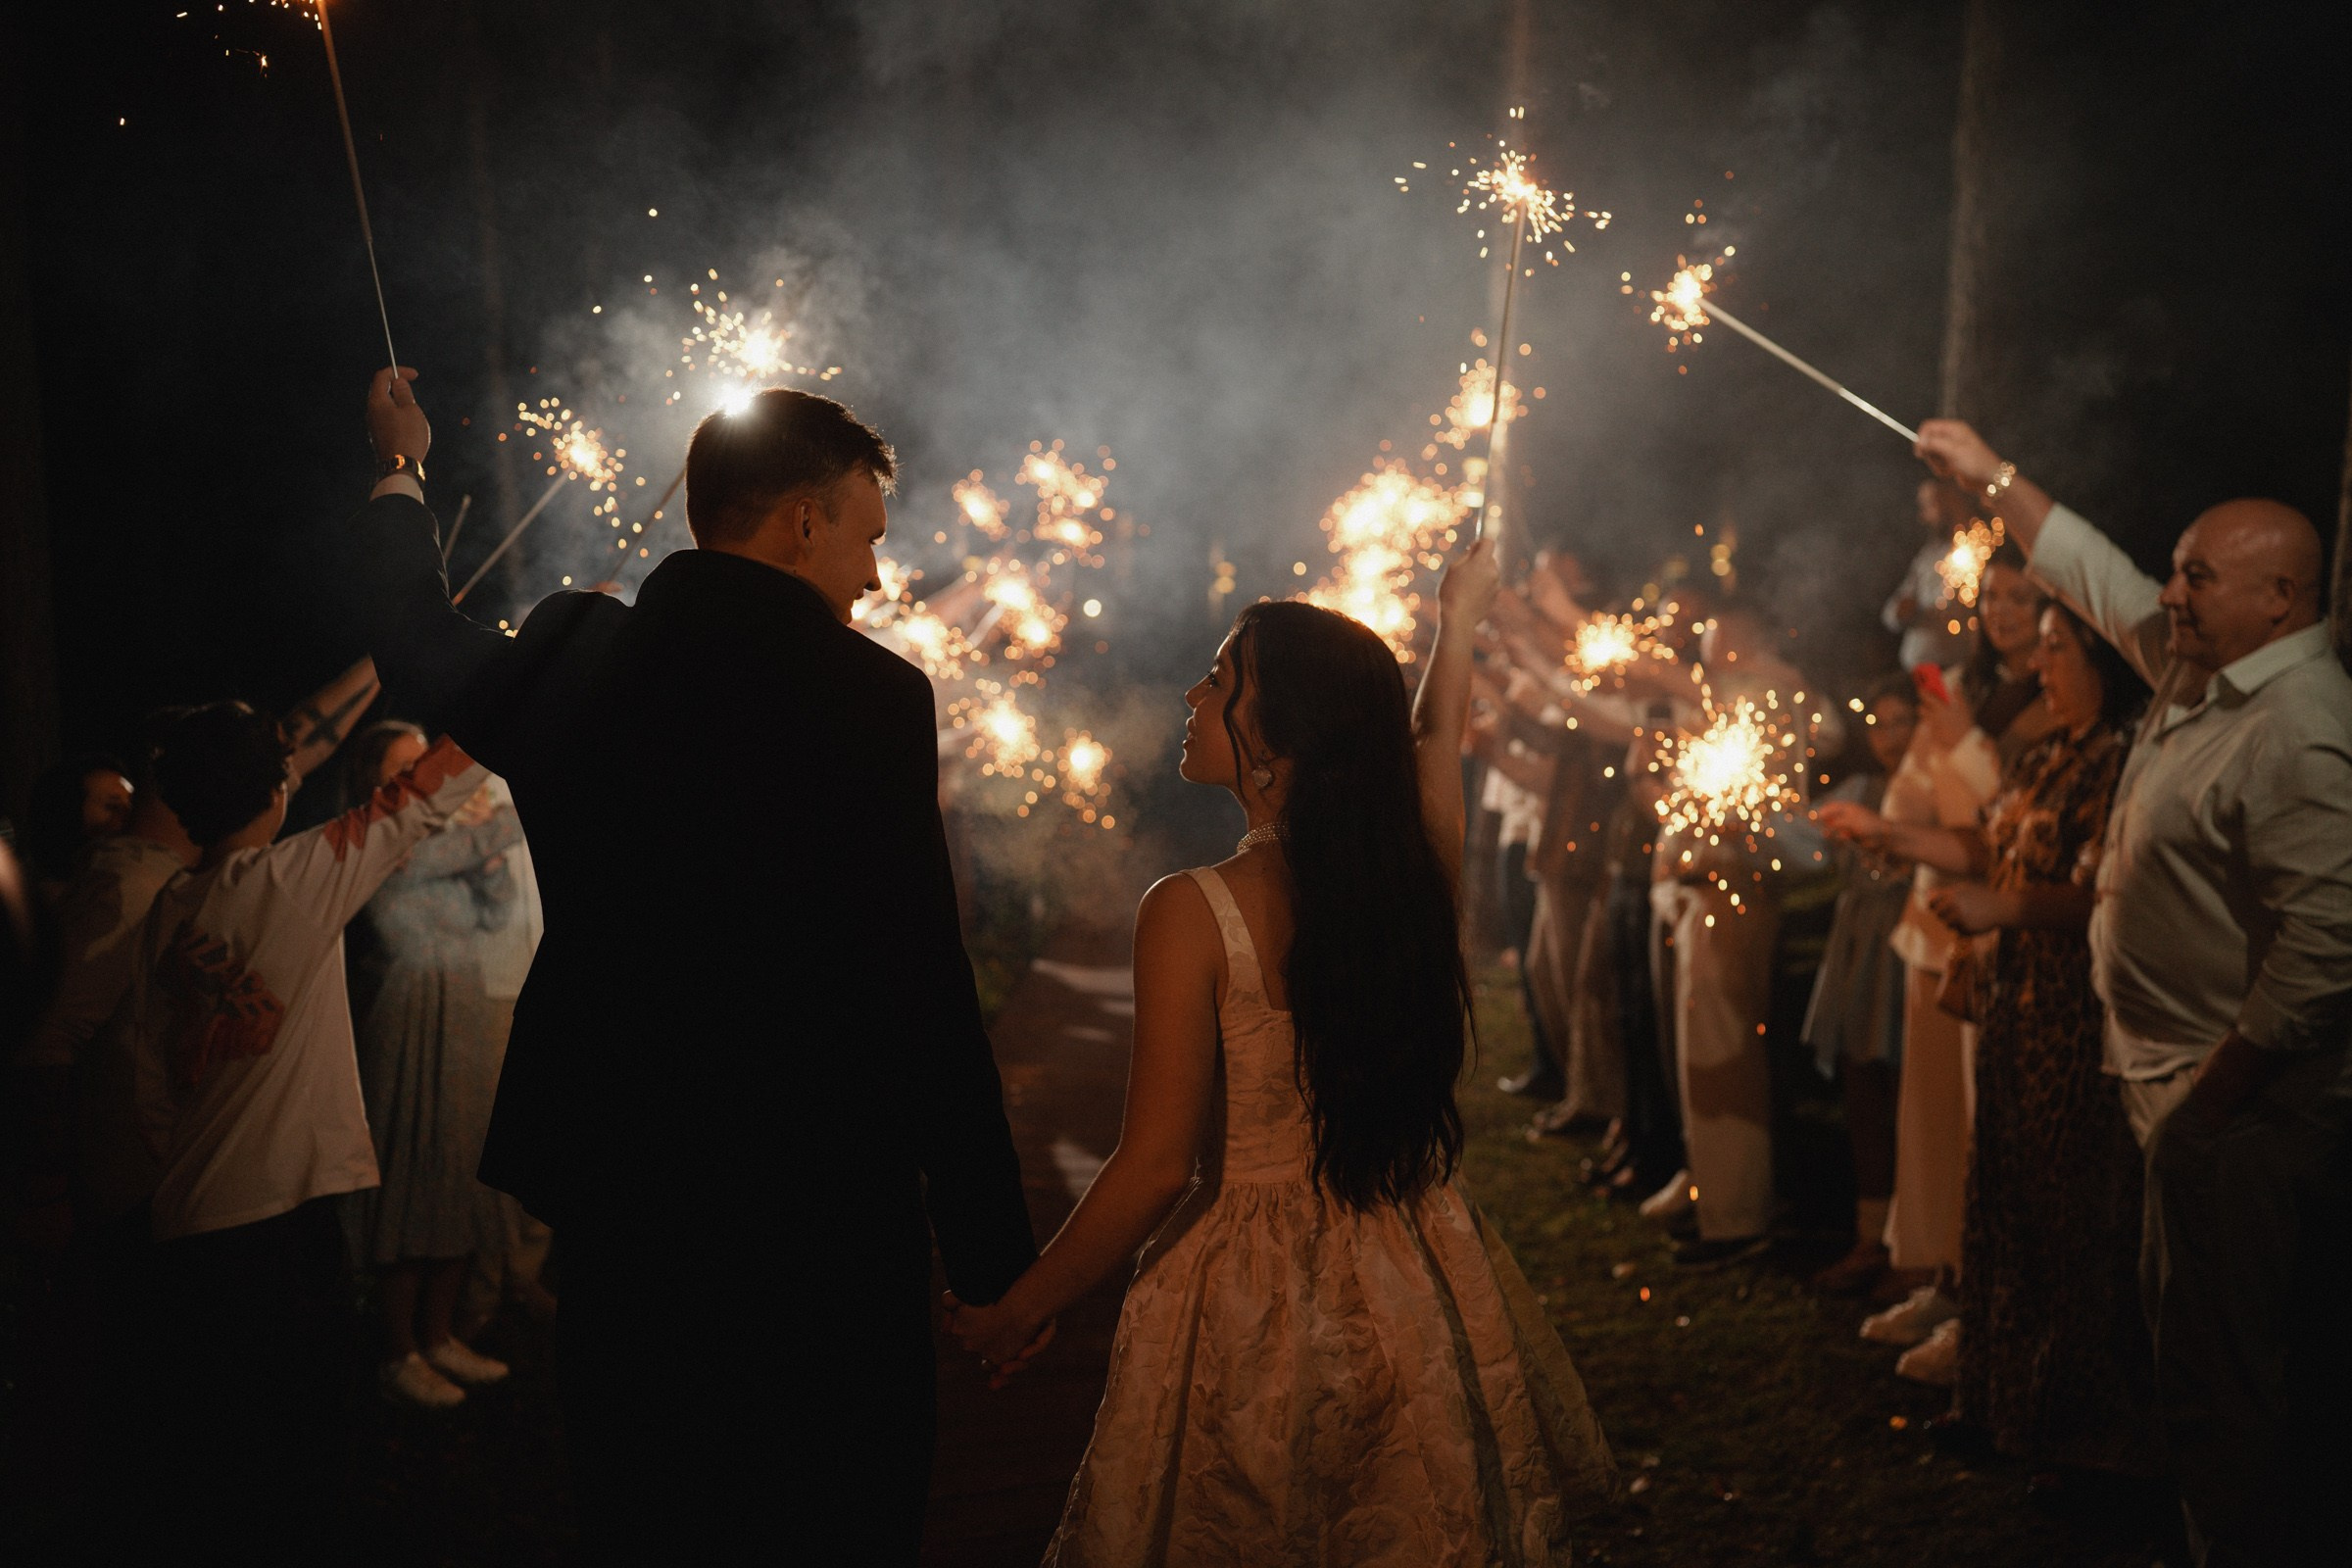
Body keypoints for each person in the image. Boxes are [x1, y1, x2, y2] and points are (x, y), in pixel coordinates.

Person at [345, 368, 1036, 1563]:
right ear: (802, 519)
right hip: (820, 1202)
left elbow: (410, 634)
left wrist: (401, 465)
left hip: (630, 1194)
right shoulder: (870, 694)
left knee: (653, 1505)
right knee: (835, 1508)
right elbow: (919, 980)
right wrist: (990, 1257)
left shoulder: (581, 659)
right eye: (868, 537)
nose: (875, 574)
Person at [945, 541, 1617, 1564]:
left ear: (1276, 737)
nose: (1192, 691)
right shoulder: (1414, 877)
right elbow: (1432, 735)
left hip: (1248, 1297)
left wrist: (1020, 1308)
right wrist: (1457, 620)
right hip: (1411, 1263)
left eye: (1219, 680)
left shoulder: (1191, 911)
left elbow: (1157, 1164)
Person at [1917, 418, 2352, 1564]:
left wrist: (2217, 1098)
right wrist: (1988, 478)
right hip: (2173, 1084)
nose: (2168, 592)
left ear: (2282, 597)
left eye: (2198, 576)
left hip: (2239, 1106)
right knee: (2193, 1361)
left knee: (2235, 1377)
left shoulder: (2300, 726)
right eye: (2176, 569)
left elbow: (2327, 946)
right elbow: (2096, 572)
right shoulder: (2197, 673)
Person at [129, 702, 488, 1561]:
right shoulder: (297, 876)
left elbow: (145, 1084)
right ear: (279, 789)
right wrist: (540, 663)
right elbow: (421, 798)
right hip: (275, 1227)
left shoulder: (167, 910)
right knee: (296, 1472)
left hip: (184, 1224)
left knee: (215, 1475)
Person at [1826, 603, 2157, 1492]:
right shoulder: (2048, 755)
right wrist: (1888, 834)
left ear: (2103, 662)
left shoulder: (2123, 762)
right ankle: (2003, 1402)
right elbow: (1983, 844)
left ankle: (2079, 1425)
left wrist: (2004, 911)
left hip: (2069, 1013)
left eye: (2058, 649)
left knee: (2065, 1217)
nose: (2039, 666)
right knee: (2002, 1199)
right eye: (2040, 649)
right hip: (2009, 1006)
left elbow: (2108, 894)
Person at [1860, 548, 2052, 1376]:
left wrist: (1963, 742)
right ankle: (1943, 1273)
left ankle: (1983, 1299)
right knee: (1932, 1120)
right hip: (1930, 928)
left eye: (2021, 598)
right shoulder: (1964, 687)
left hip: (1993, 932)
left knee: (1980, 1128)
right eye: (1994, 597)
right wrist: (1887, 831)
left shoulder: (2050, 702)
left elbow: (2000, 826)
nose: (2002, 612)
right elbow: (1910, 791)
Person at [1641, 603, 1841, 1265]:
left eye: (1713, 638)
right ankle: (1718, 1199)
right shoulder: (1733, 700)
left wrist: (1551, 617)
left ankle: (1738, 1217)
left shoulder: (1770, 691)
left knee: (1726, 1058)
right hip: (1705, 891)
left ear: (1743, 636)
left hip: (1736, 891)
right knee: (1704, 1059)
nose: (1702, 651)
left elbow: (1822, 741)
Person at [341, 719, 526, 1409]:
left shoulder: (451, 837)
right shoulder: (374, 837)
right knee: (409, 1169)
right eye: (408, 766)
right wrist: (502, 822)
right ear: (376, 778)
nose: (426, 777)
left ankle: (441, 1334)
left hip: (464, 1005)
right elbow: (417, 874)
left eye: (428, 764)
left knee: (457, 1169)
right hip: (408, 1010)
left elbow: (493, 913)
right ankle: (399, 1349)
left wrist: (491, 872)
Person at [1801, 674, 1919, 1295]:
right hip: (1858, 956)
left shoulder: (1930, 790)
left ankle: (1914, 1243)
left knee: (1911, 1098)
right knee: (1864, 1095)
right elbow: (1803, 841)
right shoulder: (1860, 790)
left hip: (1906, 954)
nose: (1891, 736)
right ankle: (1871, 1235)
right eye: (1880, 725)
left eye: (1904, 722)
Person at [1881, 476, 1975, 672]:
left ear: (1953, 499)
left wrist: (1921, 611)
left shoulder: (1976, 550)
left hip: (1952, 665)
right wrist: (1900, 611)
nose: (1924, 516)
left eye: (1931, 504)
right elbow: (1893, 610)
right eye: (1923, 507)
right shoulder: (1927, 556)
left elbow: (1956, 609)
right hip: (1917, 667)